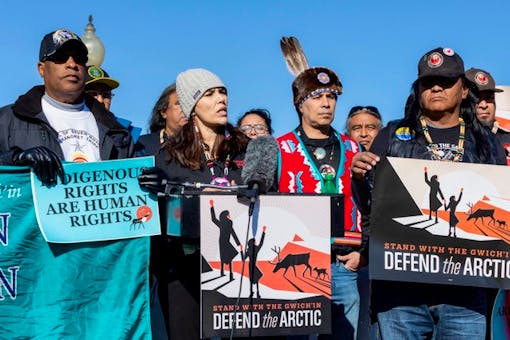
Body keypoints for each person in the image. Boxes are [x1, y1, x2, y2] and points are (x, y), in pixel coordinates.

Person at [351, 47, 505, 339]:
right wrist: (358, 177)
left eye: (446, 81)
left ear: (463, 91)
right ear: (418, 89)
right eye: (428, 81)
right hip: (400, 295)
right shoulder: (392, 135)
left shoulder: (487, 143)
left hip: (466, 296)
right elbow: (370, 208)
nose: (436, 87)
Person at [138, 68, 248, 339]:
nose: (221, 99)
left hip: (238, 271)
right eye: (210, 94)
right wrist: (163, 191)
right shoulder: (169, 157)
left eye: (223, 92)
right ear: (192, 107)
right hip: (183, 272)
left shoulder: (246, 150)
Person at [277, 36, 364, 340]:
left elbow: (372, 203)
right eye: (317, 97)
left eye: (332, 97)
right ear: (299, 103)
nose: (327, 104)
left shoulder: (354, 148)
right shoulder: (280, 148)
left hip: (342, 263)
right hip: (298, 262)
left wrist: (362, 253)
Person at [0, 29, 133, 184]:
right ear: (41, 69)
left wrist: (154, 186)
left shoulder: (116, 130)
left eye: (79, 58)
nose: (72, 64)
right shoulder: (6, 120)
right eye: (61, 57)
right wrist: (15, 159)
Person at [465, 67, 510, 165]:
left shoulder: (507, 138)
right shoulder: (454, 139)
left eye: (489, 98)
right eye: (477, 99)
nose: (484, 105)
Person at [136, 83, 188, 156]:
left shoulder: (205, 144)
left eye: (188, 104)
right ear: (164, 112)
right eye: (179, 103)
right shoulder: (143, 145)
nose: (186, 108)